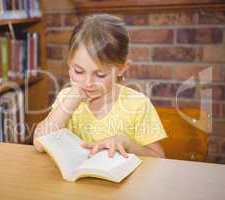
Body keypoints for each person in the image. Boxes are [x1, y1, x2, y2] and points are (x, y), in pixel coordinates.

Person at [33, 14, 167, 158]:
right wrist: (71, 100)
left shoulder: (137, 104)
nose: (88, 83)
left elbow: (159, 157)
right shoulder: (67, 97)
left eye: (100, 75)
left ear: (122, 68)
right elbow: (40, 144)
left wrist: (127, 144)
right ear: (69, 63)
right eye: (79, 71)